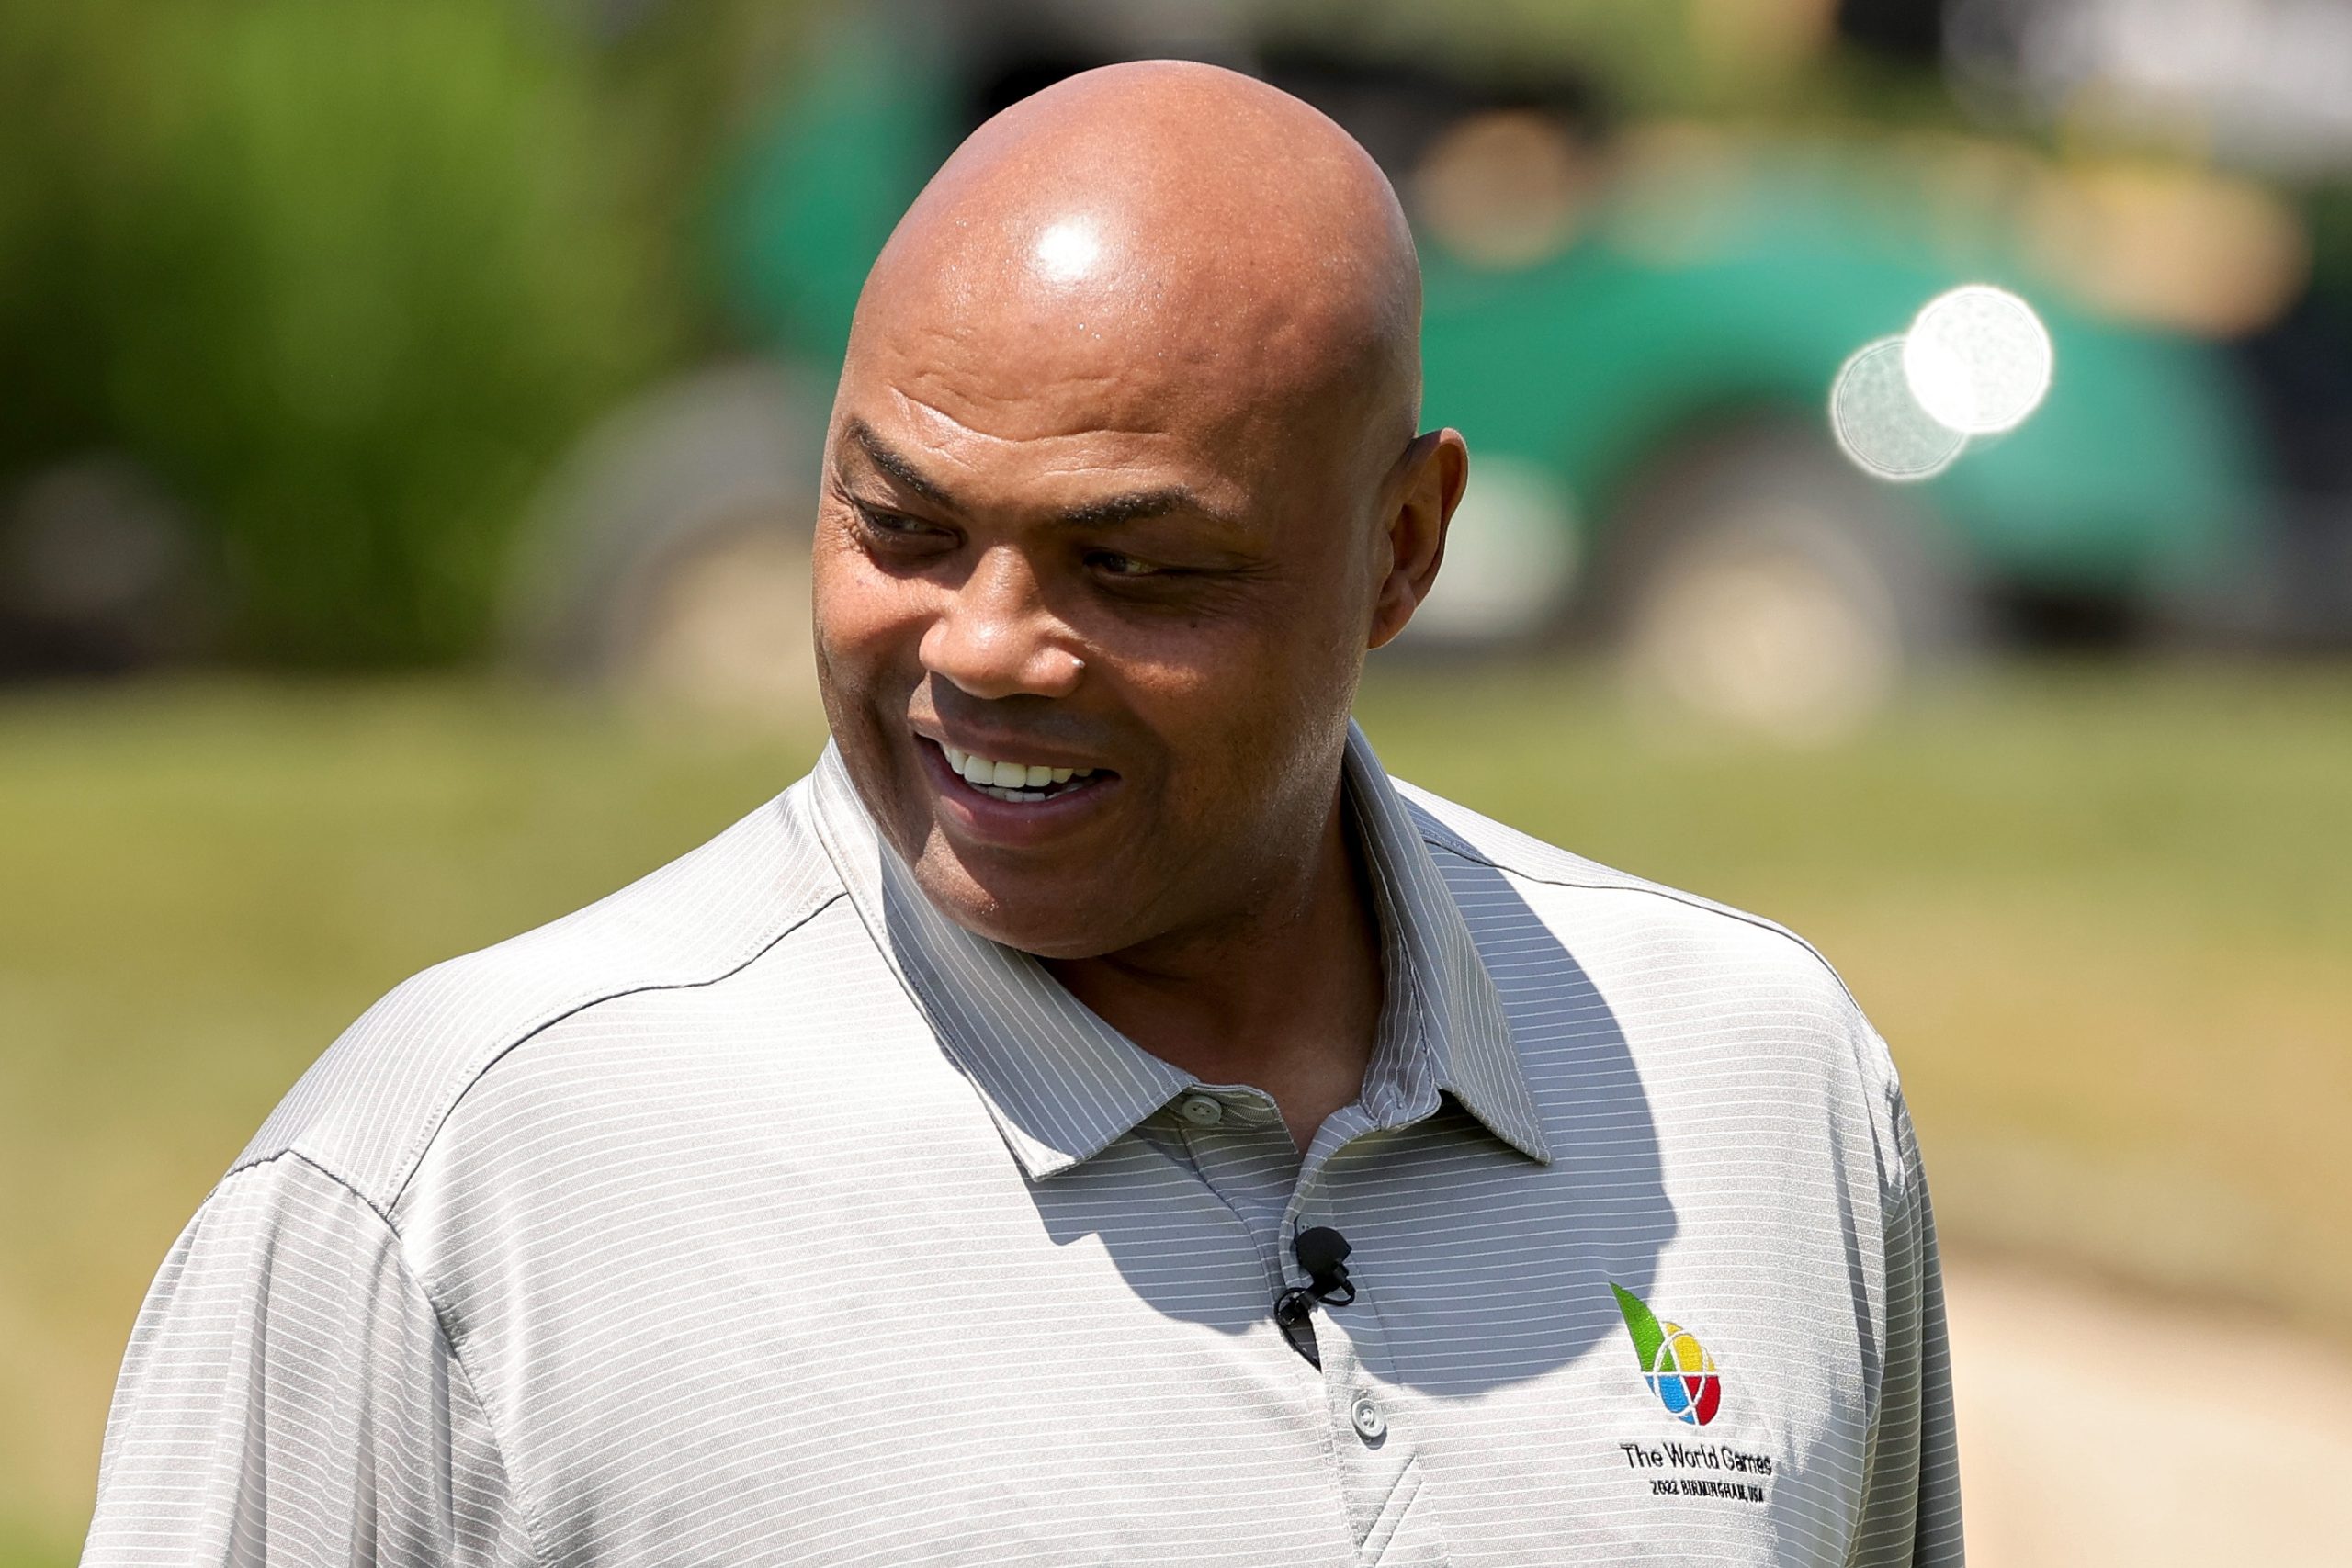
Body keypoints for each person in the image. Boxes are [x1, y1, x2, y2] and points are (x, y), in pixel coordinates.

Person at [83, 62, 1961, 1567]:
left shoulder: (1754, 1084)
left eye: (1132, 566)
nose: (980, 649)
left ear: (1398, 548)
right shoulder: (463, 1170)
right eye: (897, 525)